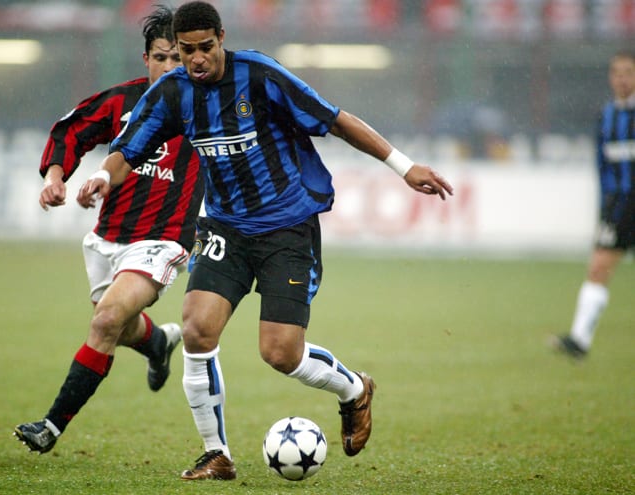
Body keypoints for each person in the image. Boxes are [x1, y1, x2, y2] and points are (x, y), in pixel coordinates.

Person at [78, 0, 453, 480]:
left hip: (287, 229)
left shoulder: (259, 76)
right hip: (225, 228)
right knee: (195, 328)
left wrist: (405, 167)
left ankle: (355, 389)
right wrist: (105, 179)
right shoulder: (174, 92)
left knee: (280, 354)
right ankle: (217, 454)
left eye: (205, 48)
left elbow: (336, 120)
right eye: (186, 50)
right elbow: (128, 147)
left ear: (222, 37)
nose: (195, 60)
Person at [13, 5, 203, 454]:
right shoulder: (122, 101)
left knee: (106, 319)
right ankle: (157, 343)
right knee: (118, 323)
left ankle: (51, 426)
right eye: (162, 57)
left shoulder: (208, 108)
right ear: (146, 60)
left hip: (164, 239)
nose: (171, 67)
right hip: (108, 236)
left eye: (179, 58)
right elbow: (71, 130)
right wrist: (55, 177)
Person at [553, 51, 635, 360]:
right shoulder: (606, 116)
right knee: (599, 267)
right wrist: (604, 207)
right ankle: (579, 340)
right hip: (618, 207)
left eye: (628, 72)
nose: (622, 78)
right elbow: (601, 167)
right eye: (617, 72)